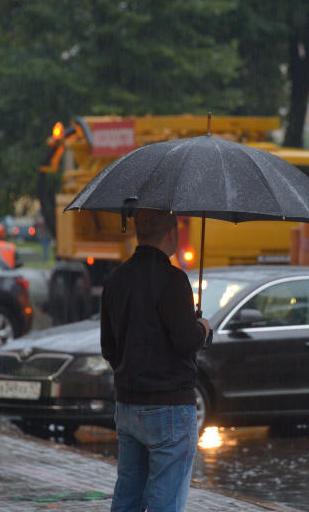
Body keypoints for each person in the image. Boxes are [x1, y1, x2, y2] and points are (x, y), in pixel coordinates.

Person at [100, 208, 211, 512]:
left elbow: (108, 348)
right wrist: (202, 327)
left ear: (139, 233)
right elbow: (186, 342)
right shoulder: (173, 281)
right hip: (170, 409)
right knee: (166, 500)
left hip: (127, 406)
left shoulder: (115, 280)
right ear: (171, 234)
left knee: (127, 495)